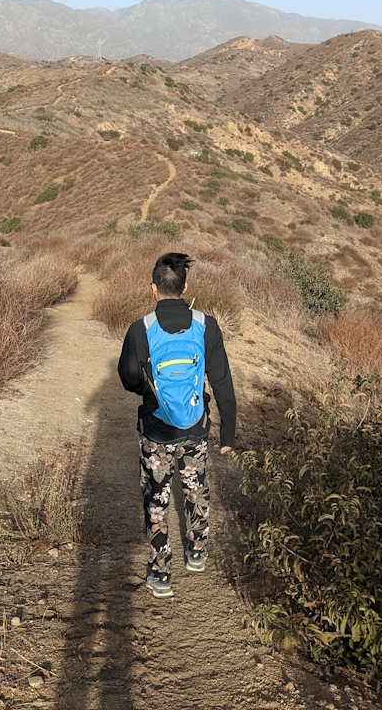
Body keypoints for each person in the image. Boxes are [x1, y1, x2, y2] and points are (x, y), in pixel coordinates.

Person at [117, 252, 237, 599]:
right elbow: (222, 383)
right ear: (186, 286)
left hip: (156, 429)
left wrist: (148, 392)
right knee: (196, 487)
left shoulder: (141, 329)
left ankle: (161, 573)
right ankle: (197, 552)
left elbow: (127, 377)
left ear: (153, 288)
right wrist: (227, 433)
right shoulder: (206, 325)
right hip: (196, 427)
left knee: (157, 499)